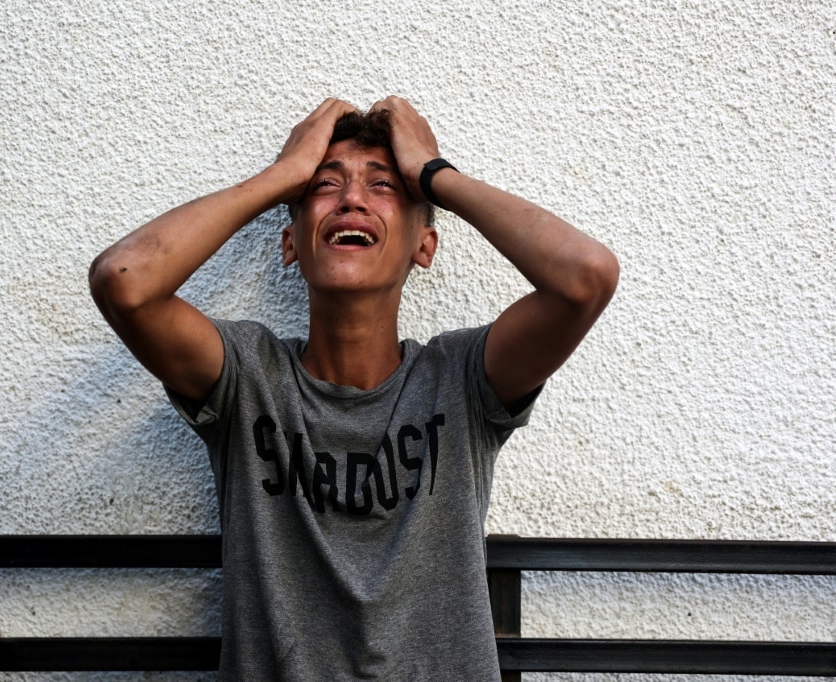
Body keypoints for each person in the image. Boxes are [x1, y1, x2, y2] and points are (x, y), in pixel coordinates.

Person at [89, 96, 618, 681]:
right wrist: (282, 177)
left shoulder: (462, 379)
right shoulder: (246, 377)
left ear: (425, 246)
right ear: (291, 243)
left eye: (383, 185)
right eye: (326, 185)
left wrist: (434, 174)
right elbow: (125, 280)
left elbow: (585, 277)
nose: (352, 199)